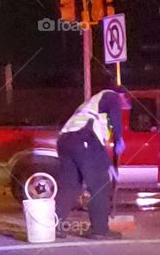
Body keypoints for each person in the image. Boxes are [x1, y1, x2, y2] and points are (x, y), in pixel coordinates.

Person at [54, 86, 127, 240]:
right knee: (100, 185)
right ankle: (100, 230)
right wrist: (119, 138)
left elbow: (98, 147)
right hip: (84, 137)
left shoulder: (91, 103)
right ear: (121, 95)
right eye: (125, 100)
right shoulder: (111, 95)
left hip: (65, 140)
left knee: (70, 186)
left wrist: (108, 164)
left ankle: (53, 226)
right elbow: (115, 117)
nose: (124, 105)